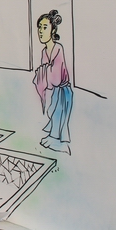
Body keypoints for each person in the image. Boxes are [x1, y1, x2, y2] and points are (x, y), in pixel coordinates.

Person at [33, 10, 73, 155]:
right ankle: (53, 137)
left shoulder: (58, 48)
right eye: (39, 27)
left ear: (53, 30)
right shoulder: (44, 52)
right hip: (54, 91)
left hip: (63, 90)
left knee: (59, 116)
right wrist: (42, 73)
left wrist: (43, 72)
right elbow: (46, 72)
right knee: (53, 113)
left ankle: (59, 141)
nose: (40, 31)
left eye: (44, 27)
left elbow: (56, 77)